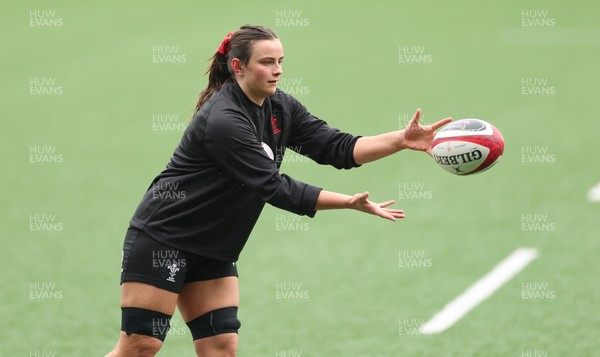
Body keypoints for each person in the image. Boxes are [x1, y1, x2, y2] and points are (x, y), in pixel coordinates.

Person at [105, 25, 451, 357]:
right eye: (267, 62)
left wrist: (402, 140)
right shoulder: (224, 120)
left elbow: (337, 148)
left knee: (221, 348)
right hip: (165, 238)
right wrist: (347, 202)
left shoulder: (280, 107)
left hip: (214, 248)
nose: (278, 70)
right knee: (140, 348)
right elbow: (273, 187)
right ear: (238, 67)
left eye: (281, 61)